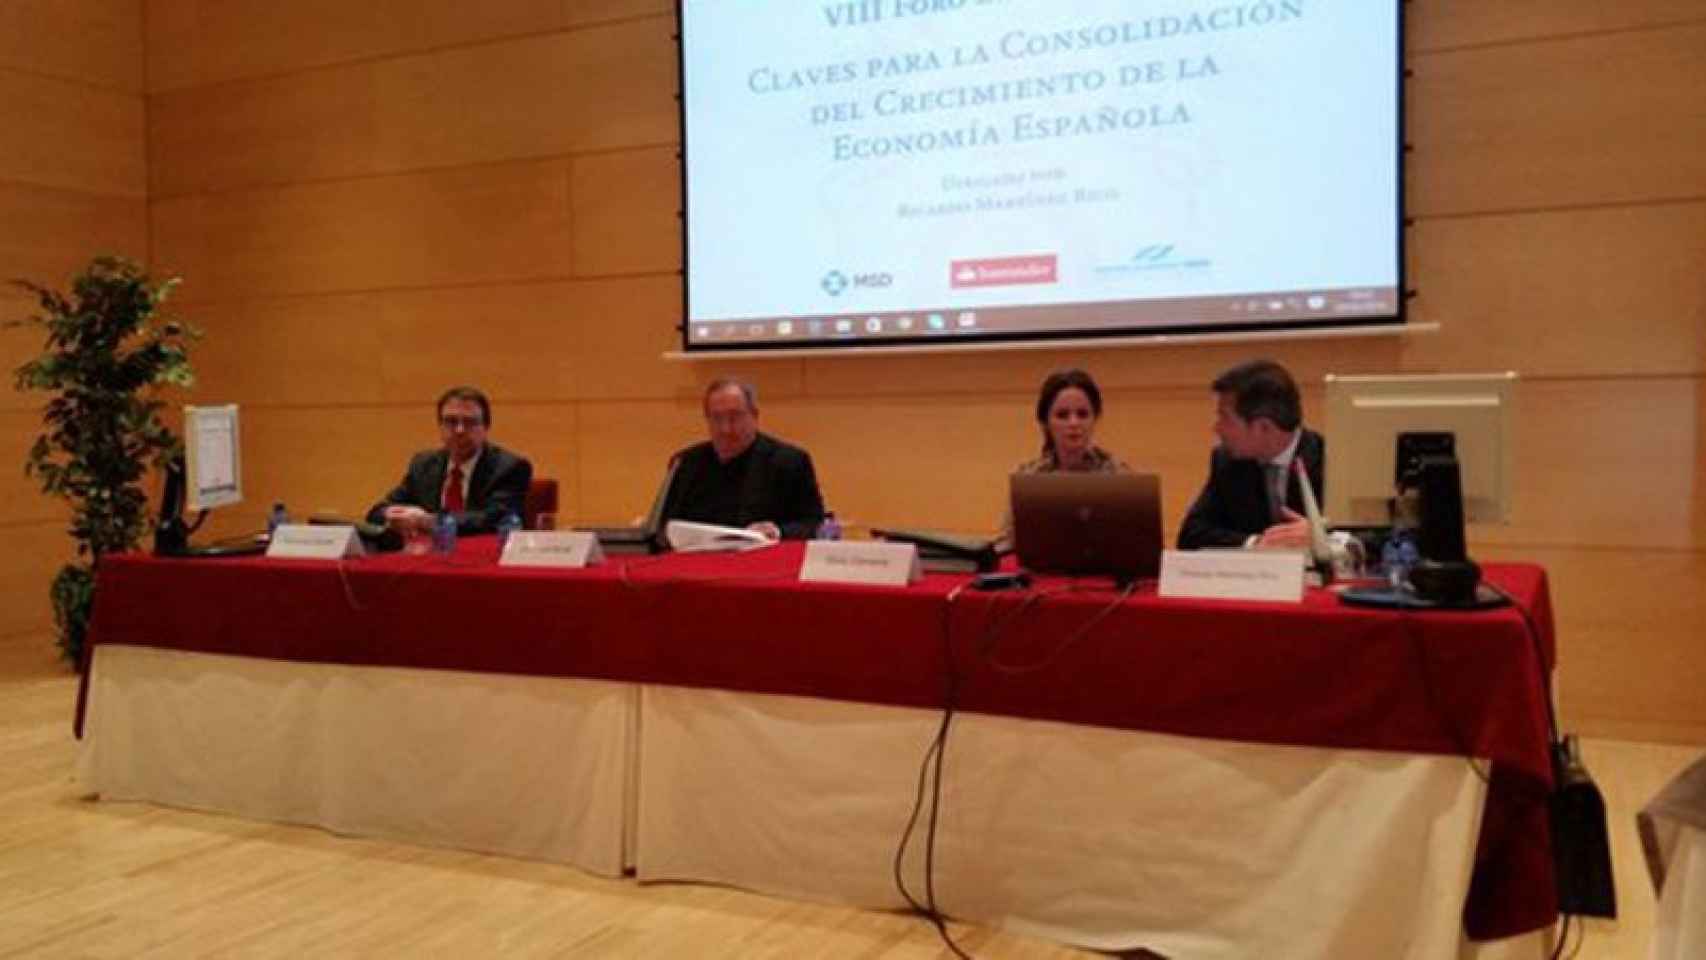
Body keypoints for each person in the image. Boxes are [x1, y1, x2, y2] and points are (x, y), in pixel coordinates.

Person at [1178, 359, 1325, 550]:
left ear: (1263, 427)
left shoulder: (1331, 461)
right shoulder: (1227, 462)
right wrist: (1256, 543)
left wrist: (1324, 539)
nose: (1216, 429)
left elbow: (1370, 539)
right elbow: (1191, 535)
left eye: (1225, 418)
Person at [658, 378, 825, 541]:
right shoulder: (685, 463)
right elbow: (665, 524)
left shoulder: (789, 462)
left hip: (764, 562)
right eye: (717, 418)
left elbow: (813, 524)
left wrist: (777, 531)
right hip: (696, 562)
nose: (726, 428)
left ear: (754, 416)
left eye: (735, 416)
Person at [366, 386, 533, 537]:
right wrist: (391, 514)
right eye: (451, 422)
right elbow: (376, 512)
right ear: (440, 426)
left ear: (485, 428)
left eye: (470, 422)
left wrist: (427, 521)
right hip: (427, 559)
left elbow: (491, 521)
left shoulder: (510, 467)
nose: (459, 430)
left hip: (481, 560)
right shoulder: (424, 465)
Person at [997, 368, 1131, 550]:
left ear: (1095, 419)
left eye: (1082, 414)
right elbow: (1006, 545)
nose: (1074, 423)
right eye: (1062, 415)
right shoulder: (1028, 478)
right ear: (1045, 422)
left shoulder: (1120, 476)